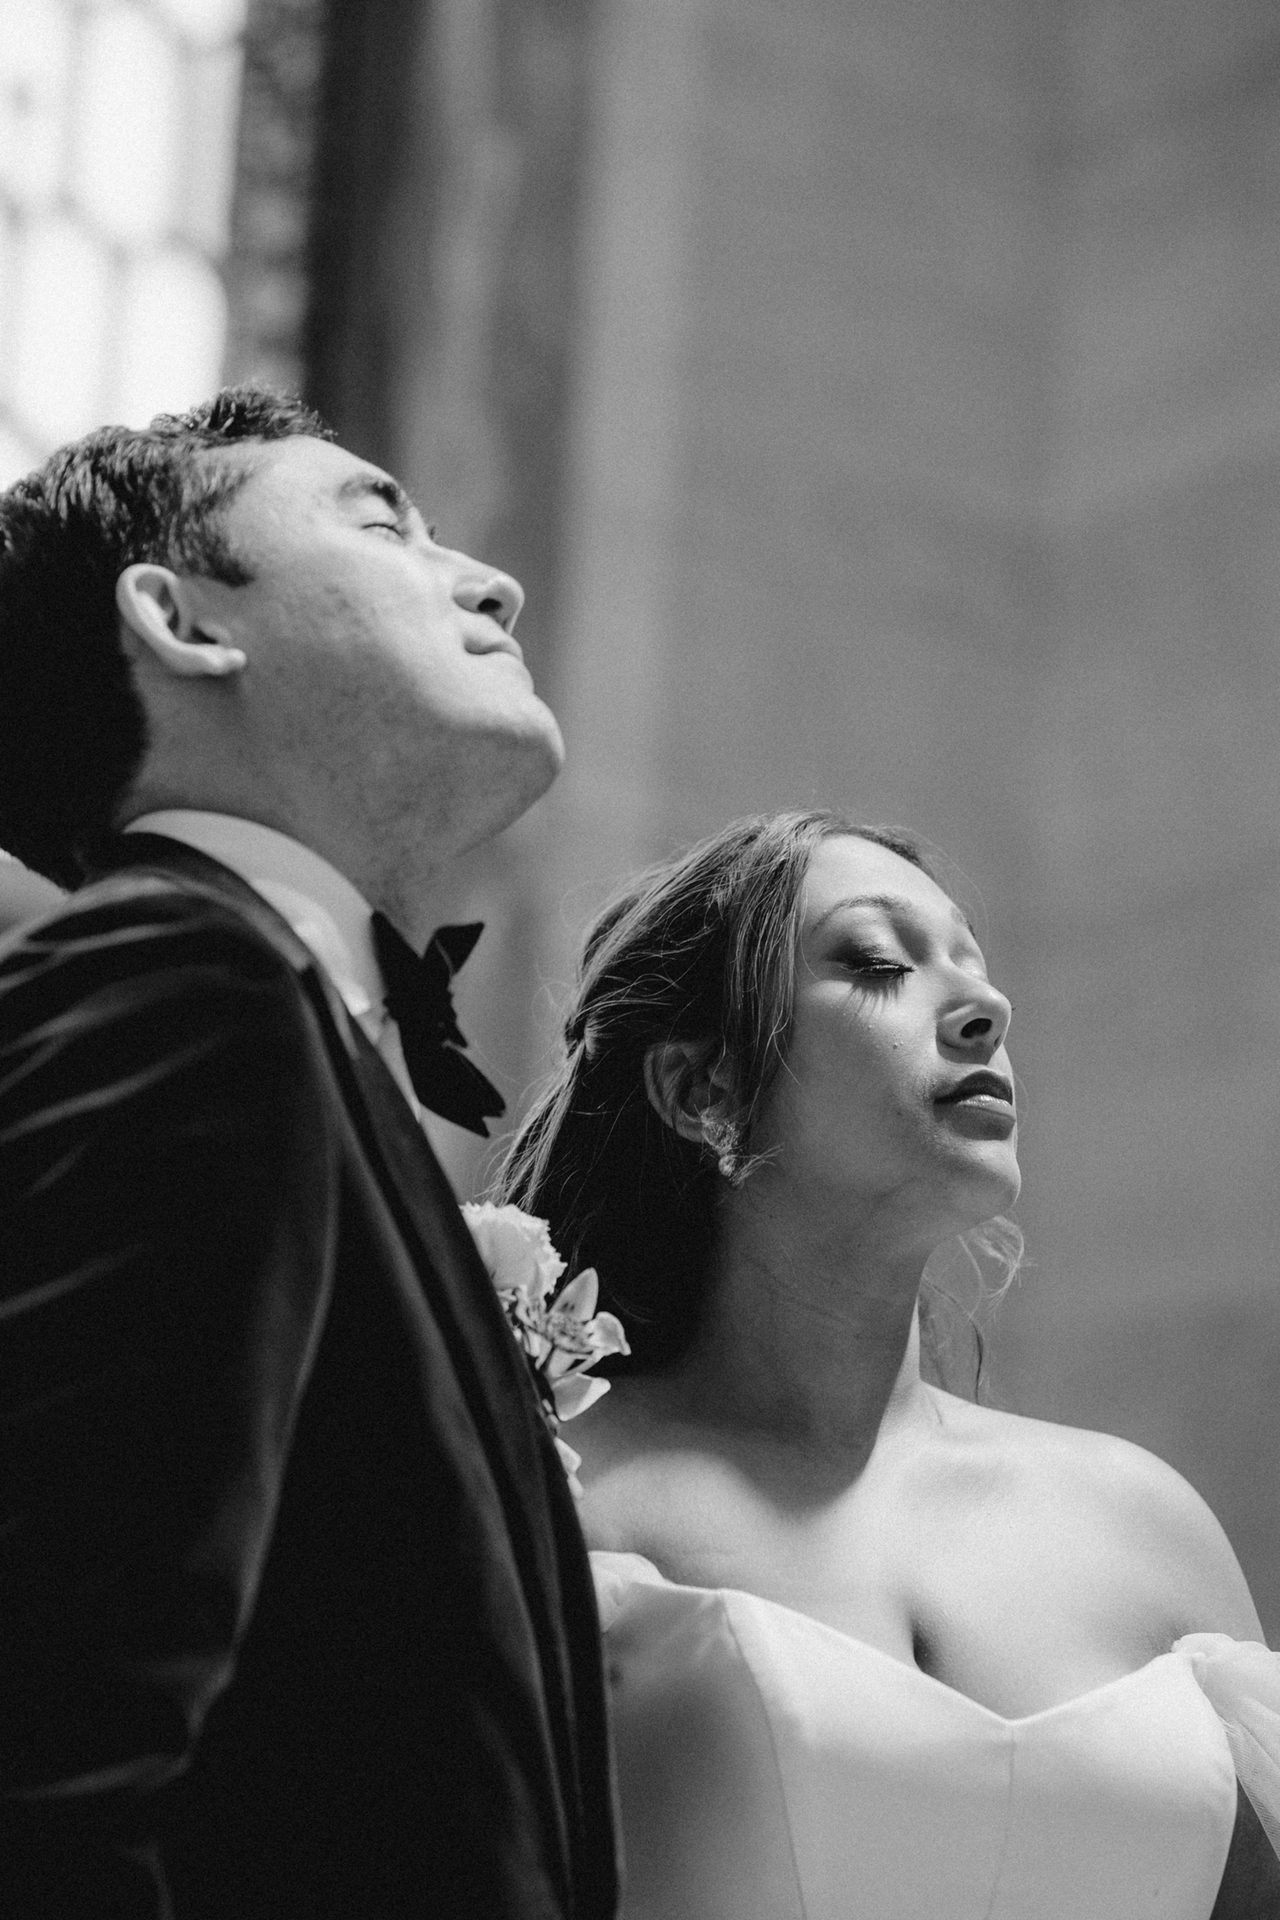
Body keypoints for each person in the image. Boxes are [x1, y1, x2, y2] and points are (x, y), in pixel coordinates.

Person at [0, 388, 618, 1918]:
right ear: (183, 621)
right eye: (383, 520)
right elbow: (52, 1747)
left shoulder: (281, 1022)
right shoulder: (178, 985)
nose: (494, 580)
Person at [499, 807, 1280, 1920]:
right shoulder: (557, 1491)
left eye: (972, 962)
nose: (985, 1006)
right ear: (700, 1090)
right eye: (875, 962)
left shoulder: (1142, 1521)